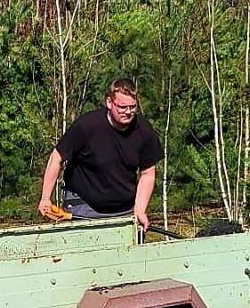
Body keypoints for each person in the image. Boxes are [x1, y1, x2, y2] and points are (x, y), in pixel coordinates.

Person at [38, 78, 163, 230]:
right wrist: (45, 198)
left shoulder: (143, 130)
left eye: (133, 107)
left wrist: (140, 209)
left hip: (124, 209)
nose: (129, 112)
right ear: (109, 103)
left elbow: (148, 174)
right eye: (123, 107)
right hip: (83, 206)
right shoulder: (87, 126)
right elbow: (56, 157)